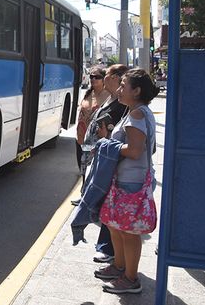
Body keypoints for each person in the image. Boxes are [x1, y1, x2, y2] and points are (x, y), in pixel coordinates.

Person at [93, 69, 160, 294]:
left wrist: (107, 144)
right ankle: (119, 267)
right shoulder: (137, 111)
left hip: (132, 183)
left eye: (123, 86)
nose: (119, 90)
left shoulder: (137, 115)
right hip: (126, 180)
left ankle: (131, 279)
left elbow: (134, 151)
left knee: (129, 233)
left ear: (137, 91)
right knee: (116, 227)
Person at [82, 64, 129, 263]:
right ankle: (108, 250)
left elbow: (131, 146)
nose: (99, 79)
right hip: (102, 154)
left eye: (106, 75)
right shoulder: (111, 98)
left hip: (114, 163)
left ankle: (109, 251)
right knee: (106, 207)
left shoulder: (126, 106)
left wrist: (105, 138)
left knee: (110, 207)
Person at [75, 67, 110, 172]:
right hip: (80, 138)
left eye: (97, 77)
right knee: (82, 168)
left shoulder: (108, 95)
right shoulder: (88, 93)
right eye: (91, 76)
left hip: (94, 140)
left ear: (104, 79)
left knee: (91, 170)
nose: (93, 79)